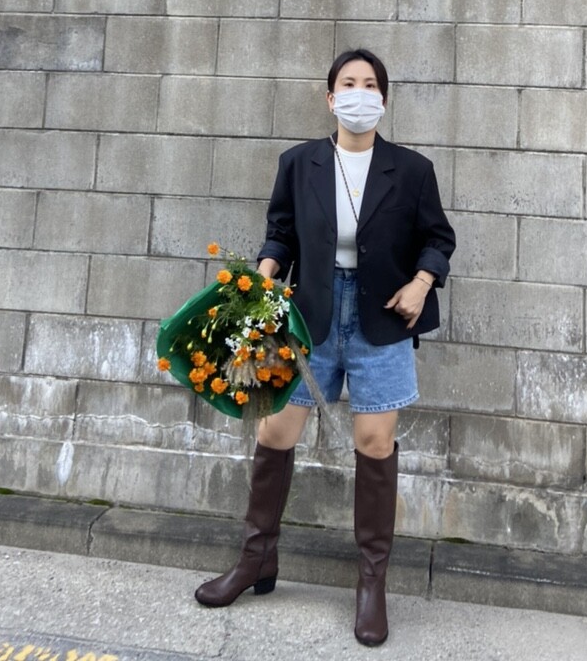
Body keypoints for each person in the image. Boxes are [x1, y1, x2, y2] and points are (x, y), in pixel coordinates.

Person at [194, 48, 455, 648]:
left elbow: (438, 239)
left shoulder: (411, 170)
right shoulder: (299, 162)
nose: (359, 92)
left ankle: (371, 584)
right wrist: (260, 279)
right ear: (330, 96)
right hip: (307, 314)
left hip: (381, 317)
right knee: (274, 432)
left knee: (375, 443)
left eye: (370, 84)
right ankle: (256, 559)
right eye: (348, 83)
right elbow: (280, 233)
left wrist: (421, 283)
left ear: (383, 98)